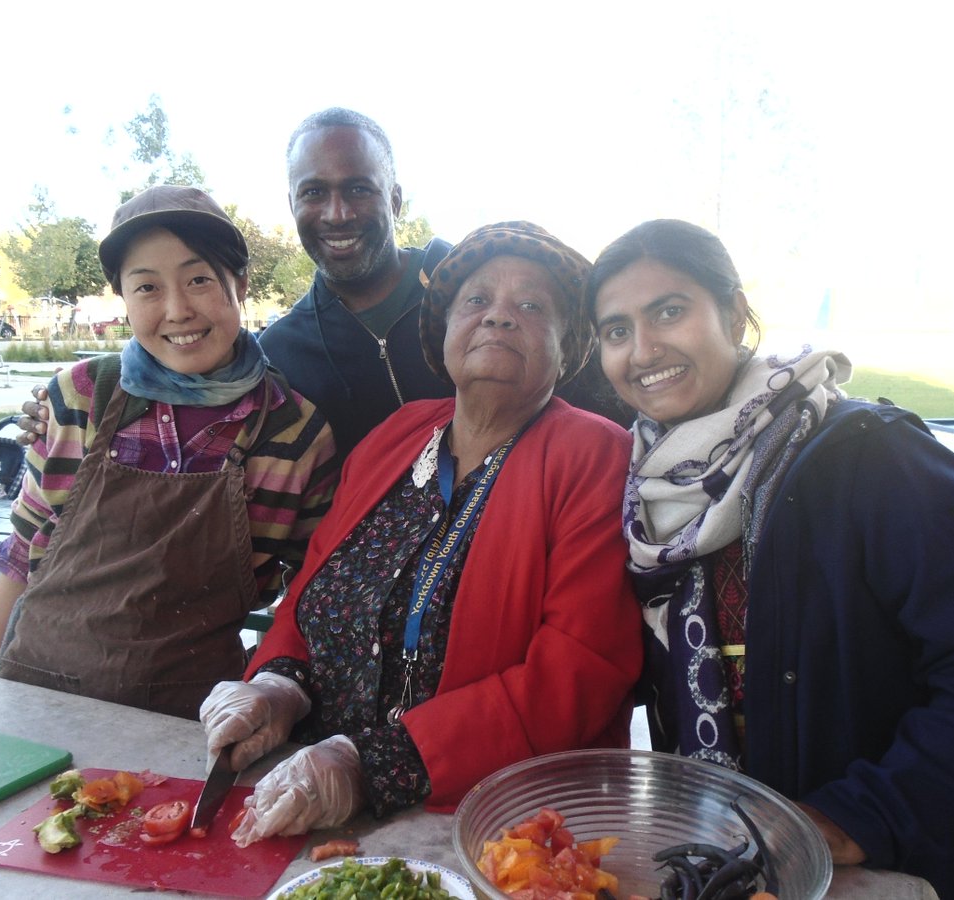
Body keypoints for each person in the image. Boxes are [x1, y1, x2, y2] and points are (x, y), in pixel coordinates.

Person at [585, 218, 954, 900]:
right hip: (722, 868)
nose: (643, 349)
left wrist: (858, 816)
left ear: (734, 313)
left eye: (669, 311)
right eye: (615, 330)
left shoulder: (873, 458)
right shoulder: (644, 493)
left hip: (884, 870)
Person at [199, 221, 642, 845]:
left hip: (489, 827)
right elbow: (312, 592)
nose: (499, 318)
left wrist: (370, 765)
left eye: (531, 306)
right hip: (303, 798)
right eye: (477, 301)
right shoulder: (397, 436)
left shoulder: (595, 454)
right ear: (444, 334)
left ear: (569, 350)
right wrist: (278, 685)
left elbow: (580, 671)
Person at [15, 108, 628, 459]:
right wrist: (70, 409)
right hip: (377, 603)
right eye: (315, 192)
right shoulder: (281, 353)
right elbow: (181, 381)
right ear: (291, 202)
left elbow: (613, 381)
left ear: (395, 196)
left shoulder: (476, 286)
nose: (337, 213)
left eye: (358, 188)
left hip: (536, 554)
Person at [0, 185, 339, 720]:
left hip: (190, 720)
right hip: (35, 697)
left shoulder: (296, 433)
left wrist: (271, 700)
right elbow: (25, 546)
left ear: (239, 283)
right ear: (122, 298)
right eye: (146, 287)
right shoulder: (77, 398)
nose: (177, 310)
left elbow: (311, 597)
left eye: (199, 280)